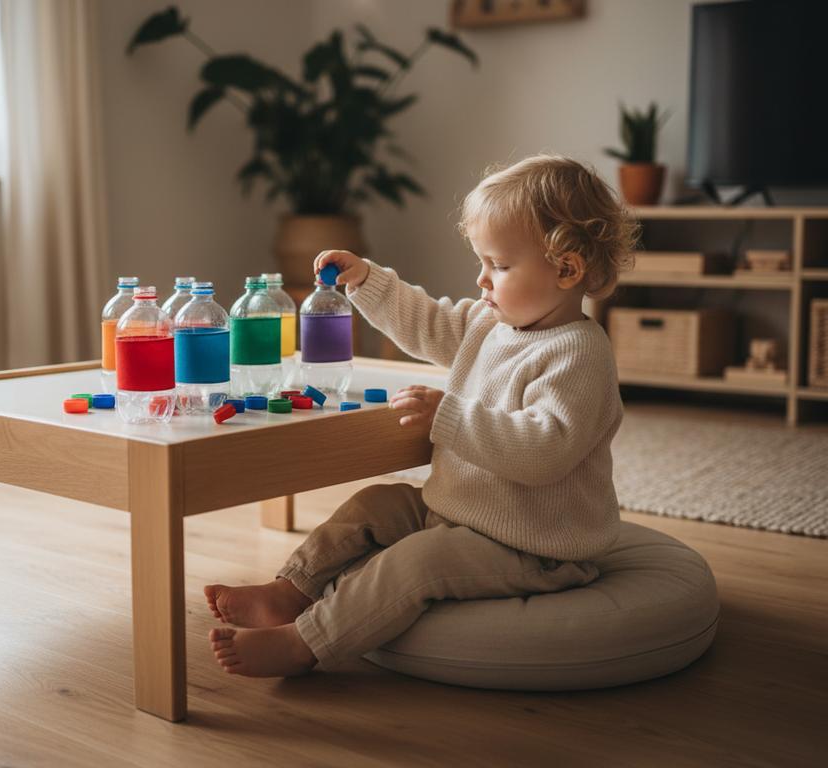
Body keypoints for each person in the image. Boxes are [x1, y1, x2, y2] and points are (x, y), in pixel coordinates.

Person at [205, 154, 638, 677]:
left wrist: (449, 418)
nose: (481, 280)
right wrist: (368, 280)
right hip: (461, 510)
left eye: (498, 266)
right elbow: (428, 324)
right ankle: (289, 590)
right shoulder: (489, 322)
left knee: (416, 564)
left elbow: (543, 451)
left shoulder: (579, 355)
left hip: (533, 544)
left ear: (566, 269)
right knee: (374, 505)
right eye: (481, 262)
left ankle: (304, 643)